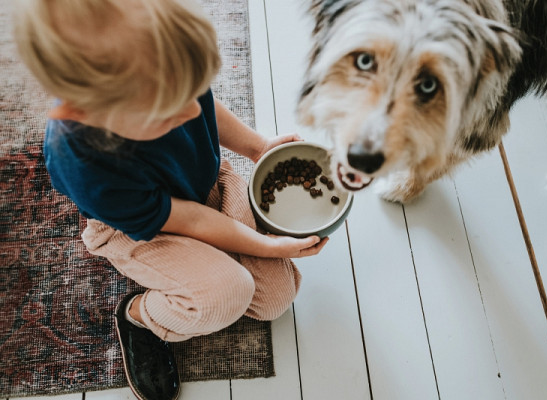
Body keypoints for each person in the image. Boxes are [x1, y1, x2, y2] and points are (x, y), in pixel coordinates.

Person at [13, 1, 328, 399]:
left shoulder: (164, 66)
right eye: (174, 107)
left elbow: (204, 105)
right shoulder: (84, 162)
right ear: (100, 114)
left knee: (275, 299)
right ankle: (140, 318)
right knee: (227, 295)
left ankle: (213, 267)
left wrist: (257, 147)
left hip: (203, 181)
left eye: (194, 91)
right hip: (141, 228)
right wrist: (264, 244)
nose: (194, 110)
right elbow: (191, 222)